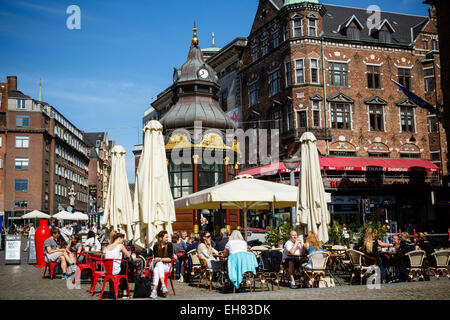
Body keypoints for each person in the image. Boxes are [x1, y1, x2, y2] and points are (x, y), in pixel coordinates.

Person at [105, 232, 131, 298]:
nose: (123, 241)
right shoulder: (120, 246)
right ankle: (125, 292)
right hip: (116, 270)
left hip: (108, 271)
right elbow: (128, 255)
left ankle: (113, 291)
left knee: (123, 268)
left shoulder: (107, 247)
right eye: (122, 240)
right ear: (119, 239)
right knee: (125, 272)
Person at [150, 231, 174, 299]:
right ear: (161, 238)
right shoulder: (155, 246)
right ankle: (159, 287)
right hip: (159, 266)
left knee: (158, 265)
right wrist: (159, 260)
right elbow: (155, 259)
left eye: (167, 237)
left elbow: (169, 259)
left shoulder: (169, 245)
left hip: (167, 266)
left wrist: (160, 259)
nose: (167, 238)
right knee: (157, 268)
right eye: (166, 237)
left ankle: (155, 290)